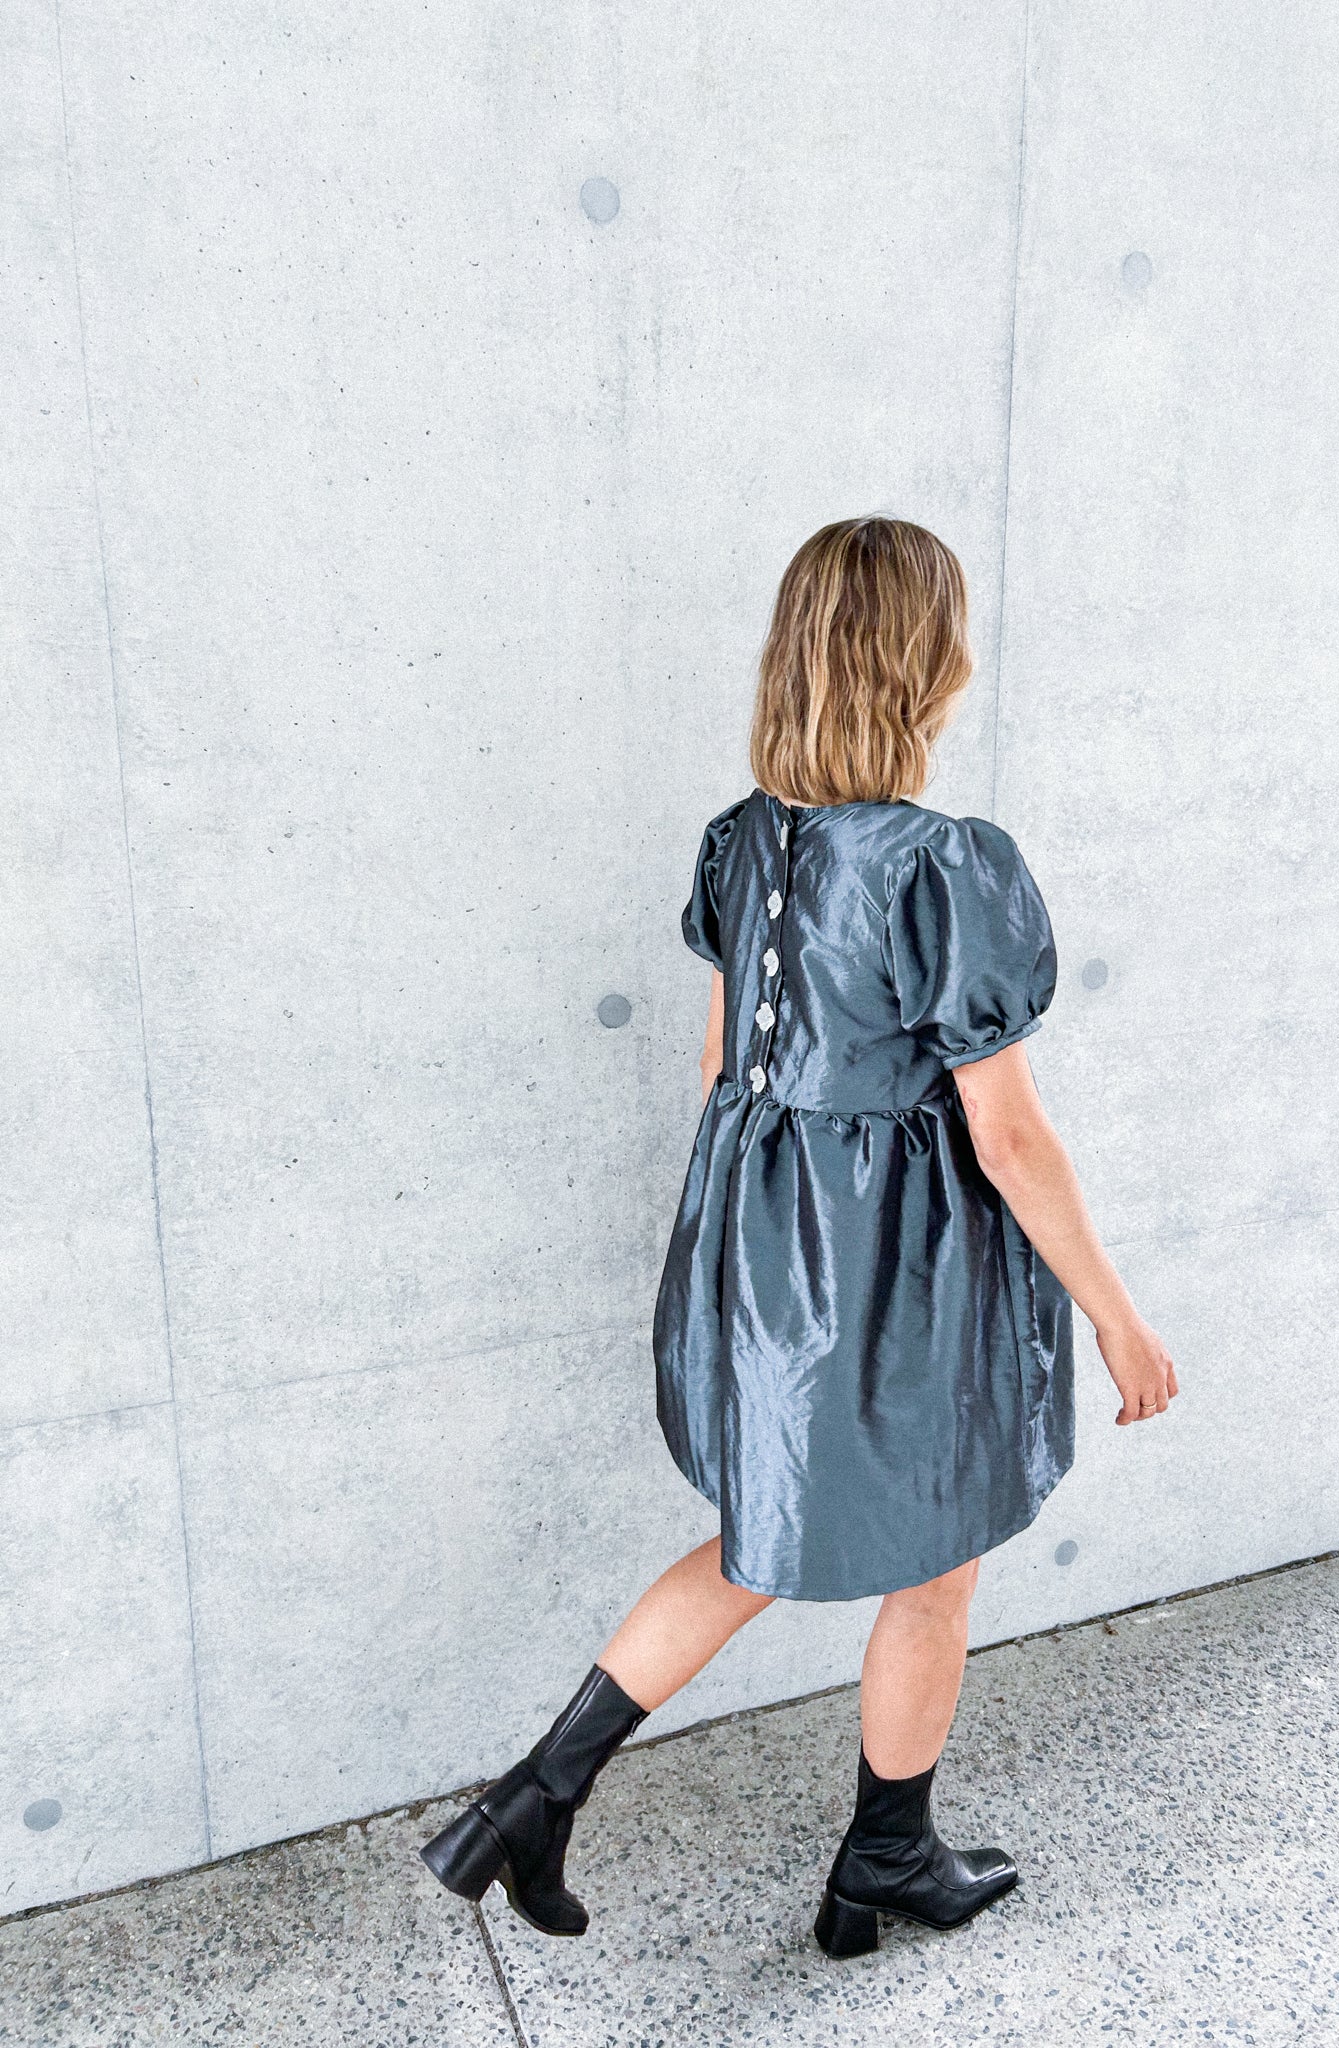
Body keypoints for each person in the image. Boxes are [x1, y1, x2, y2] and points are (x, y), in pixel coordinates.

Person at [421, 516, 1178, 1958]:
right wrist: (1116, 1315)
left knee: (756, 1539)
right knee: (938, 1561)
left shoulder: (744, 842)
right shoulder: (943, 865)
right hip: (898, 1263)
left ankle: (531, 1801)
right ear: (924, 667)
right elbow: (1008, 1136)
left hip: (764, 1244)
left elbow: (725, 1069)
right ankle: (883, 1854)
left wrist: (748, 1254)